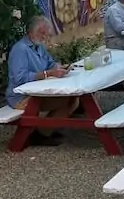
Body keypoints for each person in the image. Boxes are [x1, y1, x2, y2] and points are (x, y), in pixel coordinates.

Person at [6, 16, 76, 147]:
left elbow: (50, 63)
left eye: (46, 33)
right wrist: (48, 73)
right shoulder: (20, 49)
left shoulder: (39, 46)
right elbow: (20, 78)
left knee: (73, 99)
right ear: (31, 32)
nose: (45, 36)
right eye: (42, 33)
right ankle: (40, 135)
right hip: (21, 97)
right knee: (67, 99)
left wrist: (58, 67)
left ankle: (48, 129)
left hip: (38, 91)